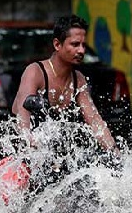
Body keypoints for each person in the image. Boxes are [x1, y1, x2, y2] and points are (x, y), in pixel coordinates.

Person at [11, 14, 118, 154]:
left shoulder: (78, 80)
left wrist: (115, 154)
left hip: (53, 156)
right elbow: (22, 122)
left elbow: (95, 121)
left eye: (83, 45)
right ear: (57, 44)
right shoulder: (35, 72)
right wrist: (30, 152)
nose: (81, 51)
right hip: (19, 154)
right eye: (75, 44)